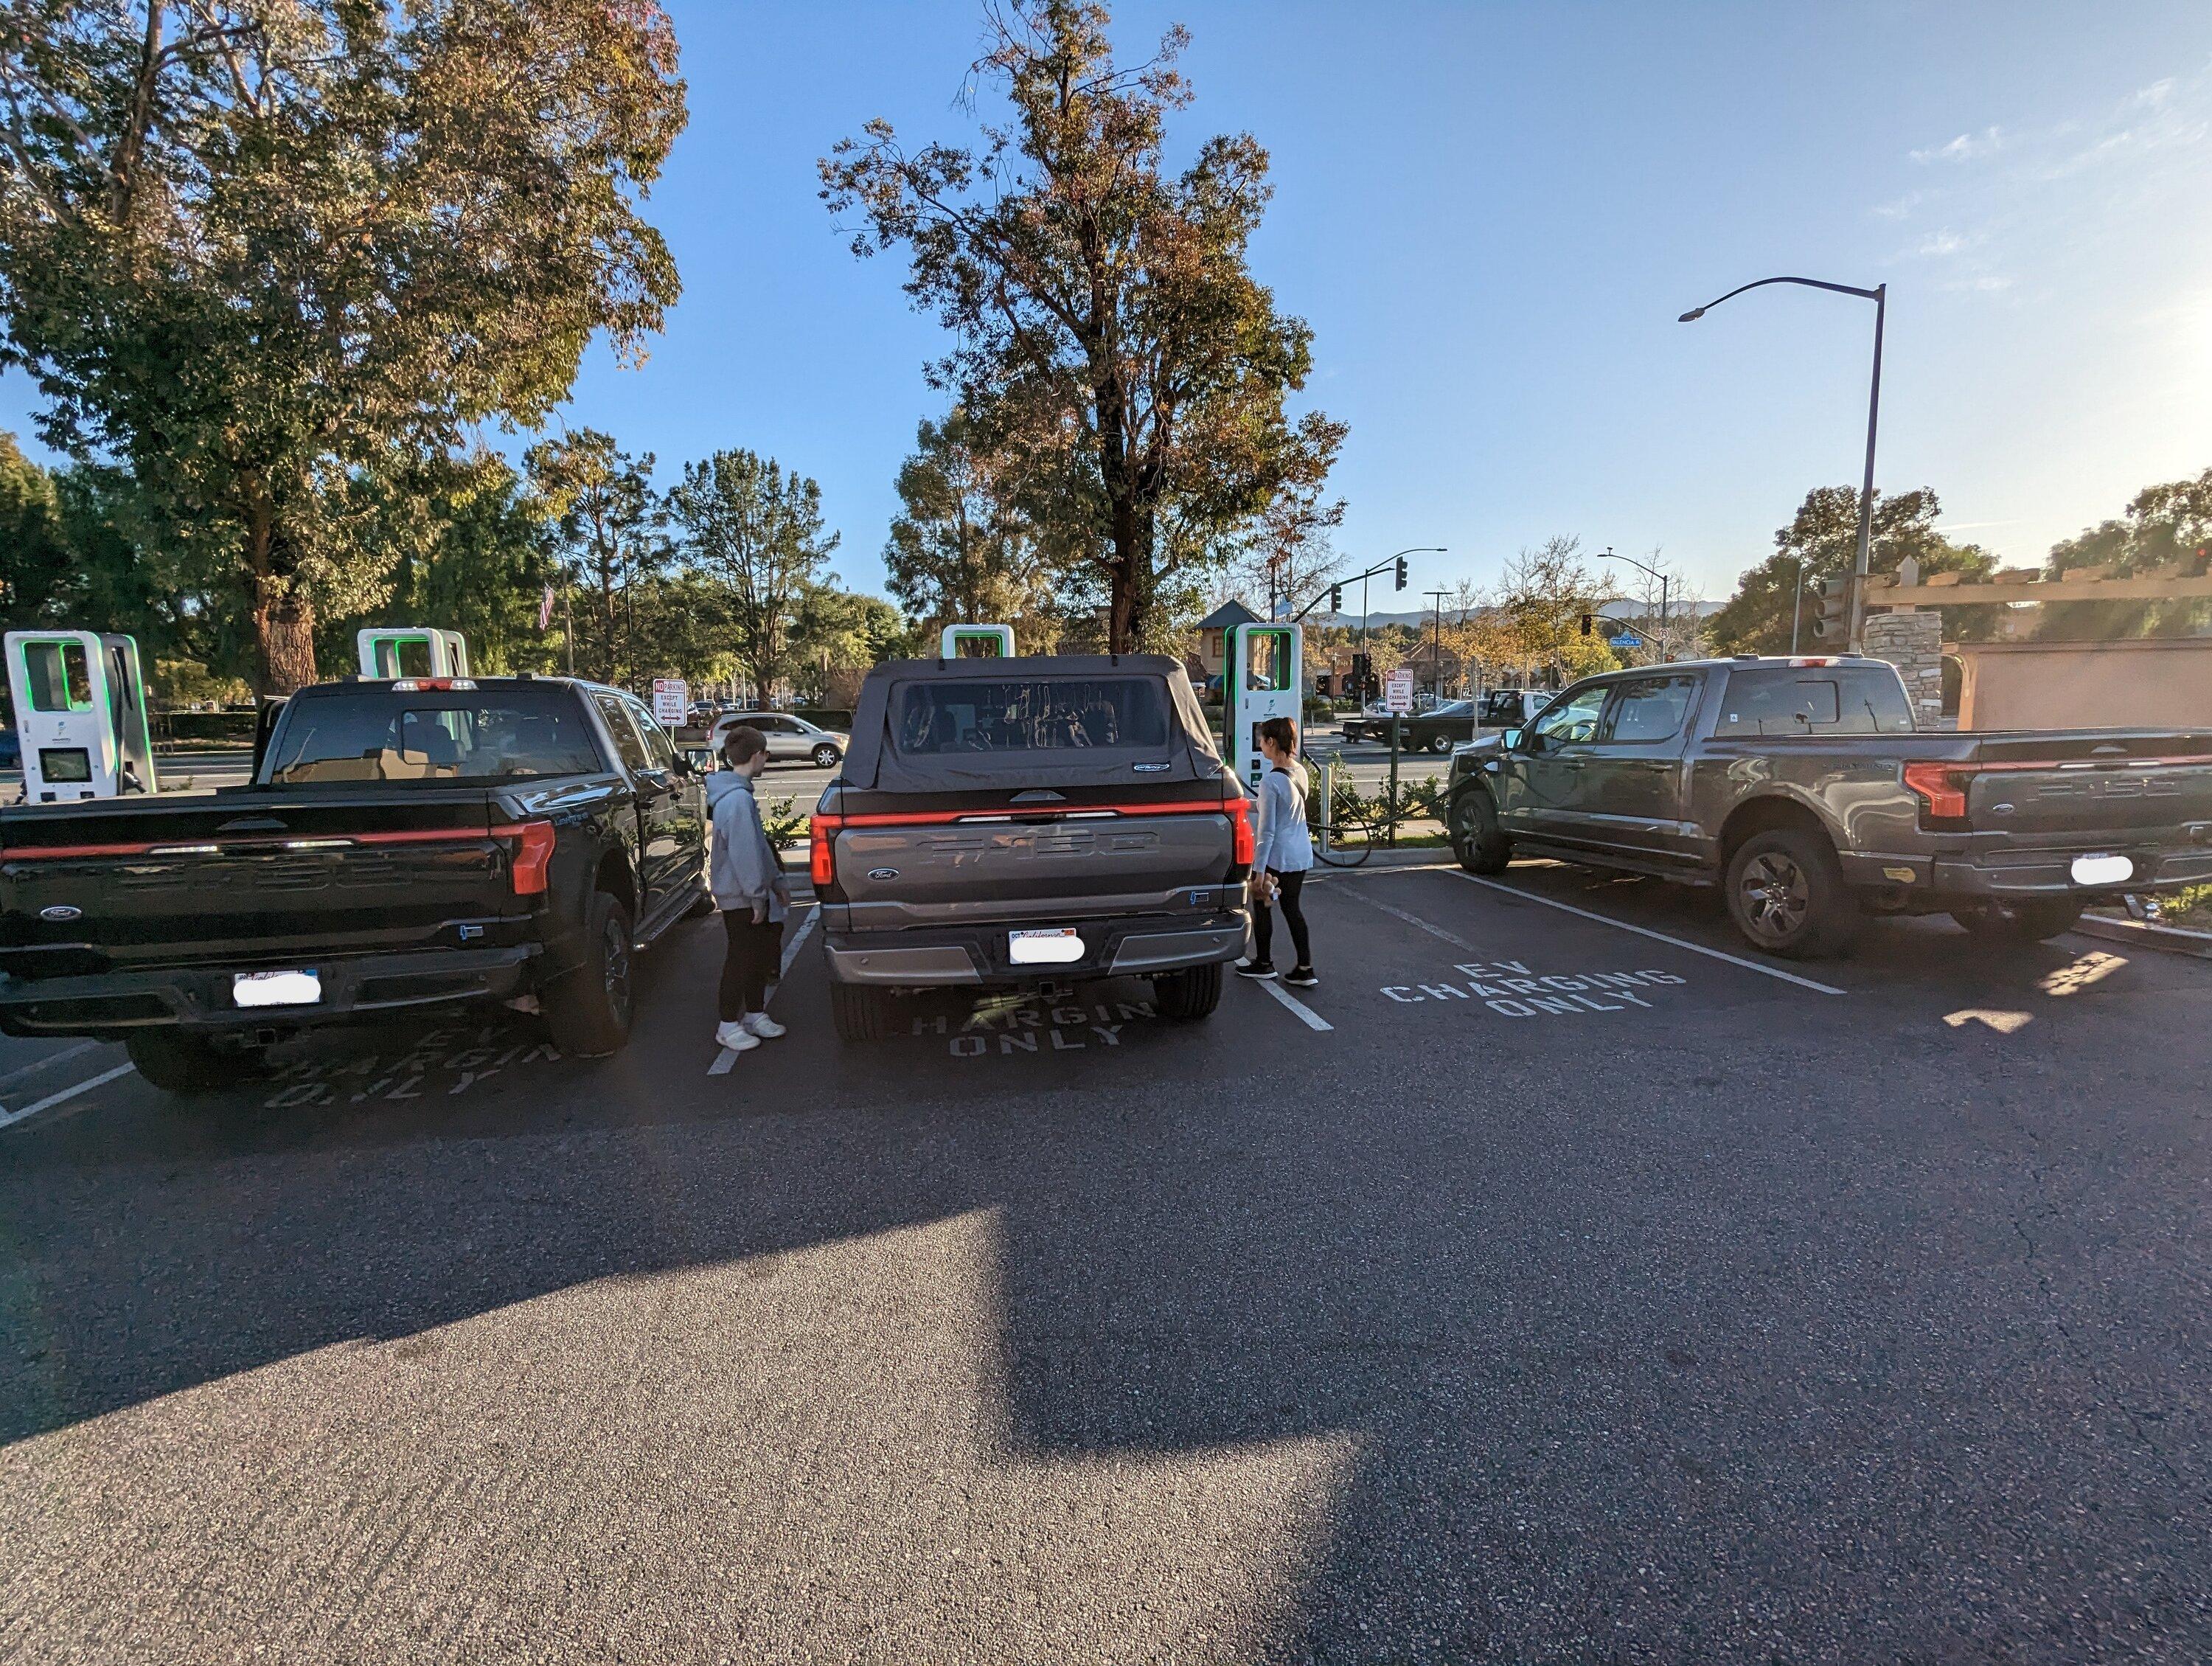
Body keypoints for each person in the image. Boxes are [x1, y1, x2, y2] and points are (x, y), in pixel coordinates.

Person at [706, 725, 791, 1053]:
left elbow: (758, 848)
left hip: (744, 893)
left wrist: (775, 884)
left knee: (754, 955)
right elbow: (745, 853)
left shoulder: (735, 795)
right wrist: (759, 895)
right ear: (757, 755)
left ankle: (755, 1014)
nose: (767, 760)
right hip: (741, 895)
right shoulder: (738, 800)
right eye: (766, 754)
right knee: (742, 957)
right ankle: (728, 1024)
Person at [1236, 715, 1316, 986]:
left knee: (1263, 906)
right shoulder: (1299, 771)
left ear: (1271, 742)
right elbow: (1285, 809)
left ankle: (1264, 963)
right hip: (1300, 855)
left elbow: (1267, 831)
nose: (1260, 744)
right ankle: (1305, 968)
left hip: (1277, 860)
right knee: (1293, 909)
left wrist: (1259, 871)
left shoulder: (1271, 781)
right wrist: (1249, 804)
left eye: (1262, 740)